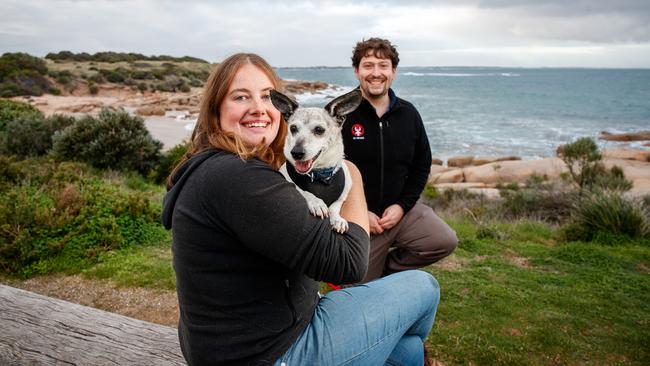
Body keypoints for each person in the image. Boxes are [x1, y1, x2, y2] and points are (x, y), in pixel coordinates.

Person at [162, 52, 440, 365]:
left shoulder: (224, 168)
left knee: (408, 352)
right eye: (240, 97)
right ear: (215, 110)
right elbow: (349, 263)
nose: (259, 108)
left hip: (246, 340)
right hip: (270, 354)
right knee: (424, 286)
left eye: (267, 96)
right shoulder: (237, 178)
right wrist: (352, 175)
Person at [342, 38, 458, 283]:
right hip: (359, 219)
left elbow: (421, 164)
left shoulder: (409, 113)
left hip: (400, 213)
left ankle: (386, 269)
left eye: (383, 66)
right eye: (368, 65)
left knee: (444, 240)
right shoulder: (341, 114)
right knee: (355, 290)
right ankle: (370, 269)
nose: (376, 73)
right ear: (356, 71)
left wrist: (402, 206)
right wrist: (359, 212)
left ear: (393, 72)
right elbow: (327, 172)